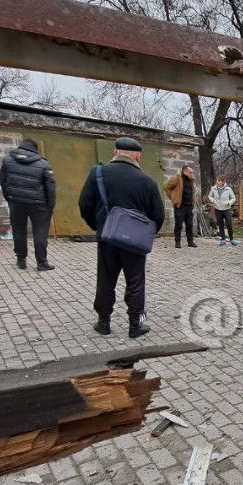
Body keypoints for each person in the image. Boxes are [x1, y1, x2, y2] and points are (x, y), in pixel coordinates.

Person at [78, 136, 164, 338]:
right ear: (137, 156)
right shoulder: (147, 181)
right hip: (134, 242)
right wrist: (144, 235)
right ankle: (135, 325)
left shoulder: (98, 173)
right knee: (136, 281)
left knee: (105, 279)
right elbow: (158, 216)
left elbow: (84, 205)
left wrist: (100, 227)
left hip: (107, 239)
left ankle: (103, 322)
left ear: (115, 152)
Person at [0, 138, 56, 271]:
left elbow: (3, 182)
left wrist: (9, 198)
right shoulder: (43, 164)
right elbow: (51, 186)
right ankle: (41, 263)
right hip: (39, 204)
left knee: (19, 230)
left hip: (16, 202)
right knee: (40, 232)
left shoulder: (7, 161)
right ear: (35, 149)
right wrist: (50, 205)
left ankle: (21, 260)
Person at [164, 165, 198, 249]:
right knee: (179, 225)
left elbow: (192, 192)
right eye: (190, 172)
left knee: (189, 225)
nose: (192, 174)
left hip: (189, 206)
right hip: (180, 207)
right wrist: (173, 198)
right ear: (185, 172)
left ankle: (190, 242)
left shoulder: (191, 180)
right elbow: (166, 187)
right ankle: (177, 242)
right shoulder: (177, 179)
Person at [208, 177, 238, 246]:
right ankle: (223, 239)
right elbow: (209, 196)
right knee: (220, 225)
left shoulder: (228, 189)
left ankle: (232, 239)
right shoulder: (213, 188)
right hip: (218, 209)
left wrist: (229, 202)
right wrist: (213, 201)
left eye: (218, 181)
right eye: (217, 180)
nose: (217, 182)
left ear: (223, 182)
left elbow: (233, 198)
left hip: (226, 209)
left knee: (229, 224)